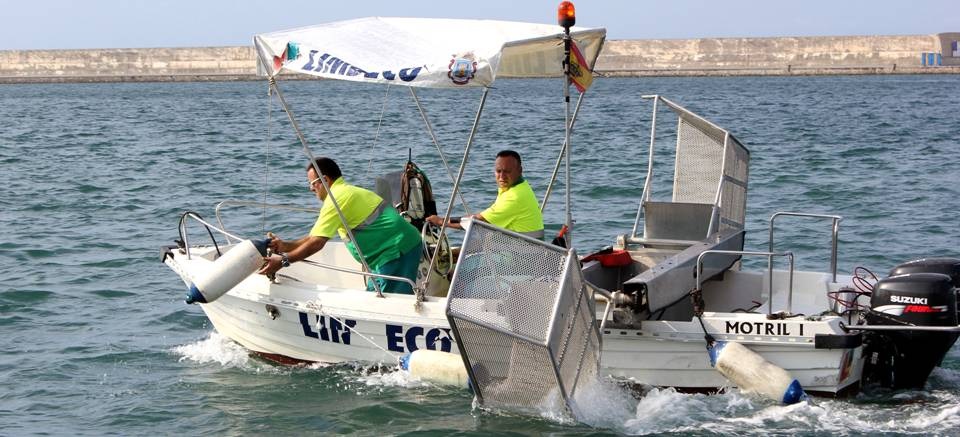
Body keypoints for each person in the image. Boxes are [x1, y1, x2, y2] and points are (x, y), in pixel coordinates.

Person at [258, 157, 423, 294]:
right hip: (388, 253)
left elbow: (316, 243)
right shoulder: (343, 192)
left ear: (325, 180)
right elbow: (313, 237)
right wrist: (285, 246)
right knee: (375, 296)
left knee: (387, 303)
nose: (310, 188)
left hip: (396, 250)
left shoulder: (336, 199)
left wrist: (283, 261)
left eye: (313, 183)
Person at [426, 150, 544, 239]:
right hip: (524, 249)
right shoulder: (520, 187)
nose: (502, 176)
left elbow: (476, 222)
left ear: (520, 170)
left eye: (507, 171)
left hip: (523, 257)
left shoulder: (514, 197)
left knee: (478, 238)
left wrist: (441, 222)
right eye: (498, 171)